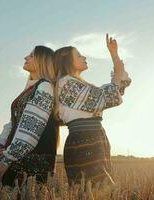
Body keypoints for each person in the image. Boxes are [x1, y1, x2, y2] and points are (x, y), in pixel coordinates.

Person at [52, 33, 131, 186]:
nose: (84, 57)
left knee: (99, 190)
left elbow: (115, 89)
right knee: (96, 189)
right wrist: (114, 59)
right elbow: (107, 95)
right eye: (79, 55)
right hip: (84, 140)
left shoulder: (77, 83)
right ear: (67, 60)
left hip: (94, 138)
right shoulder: (66, 83)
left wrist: (114, 54)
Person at [0, 45, 59, 188]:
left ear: (42, 61)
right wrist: (1, 143)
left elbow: (32, 126)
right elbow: (14, 121)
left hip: (32, 156)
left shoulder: (45, 87)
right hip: (19, 153)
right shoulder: (31, 88)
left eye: (32, 55)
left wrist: (7, 159)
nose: (26, 57)